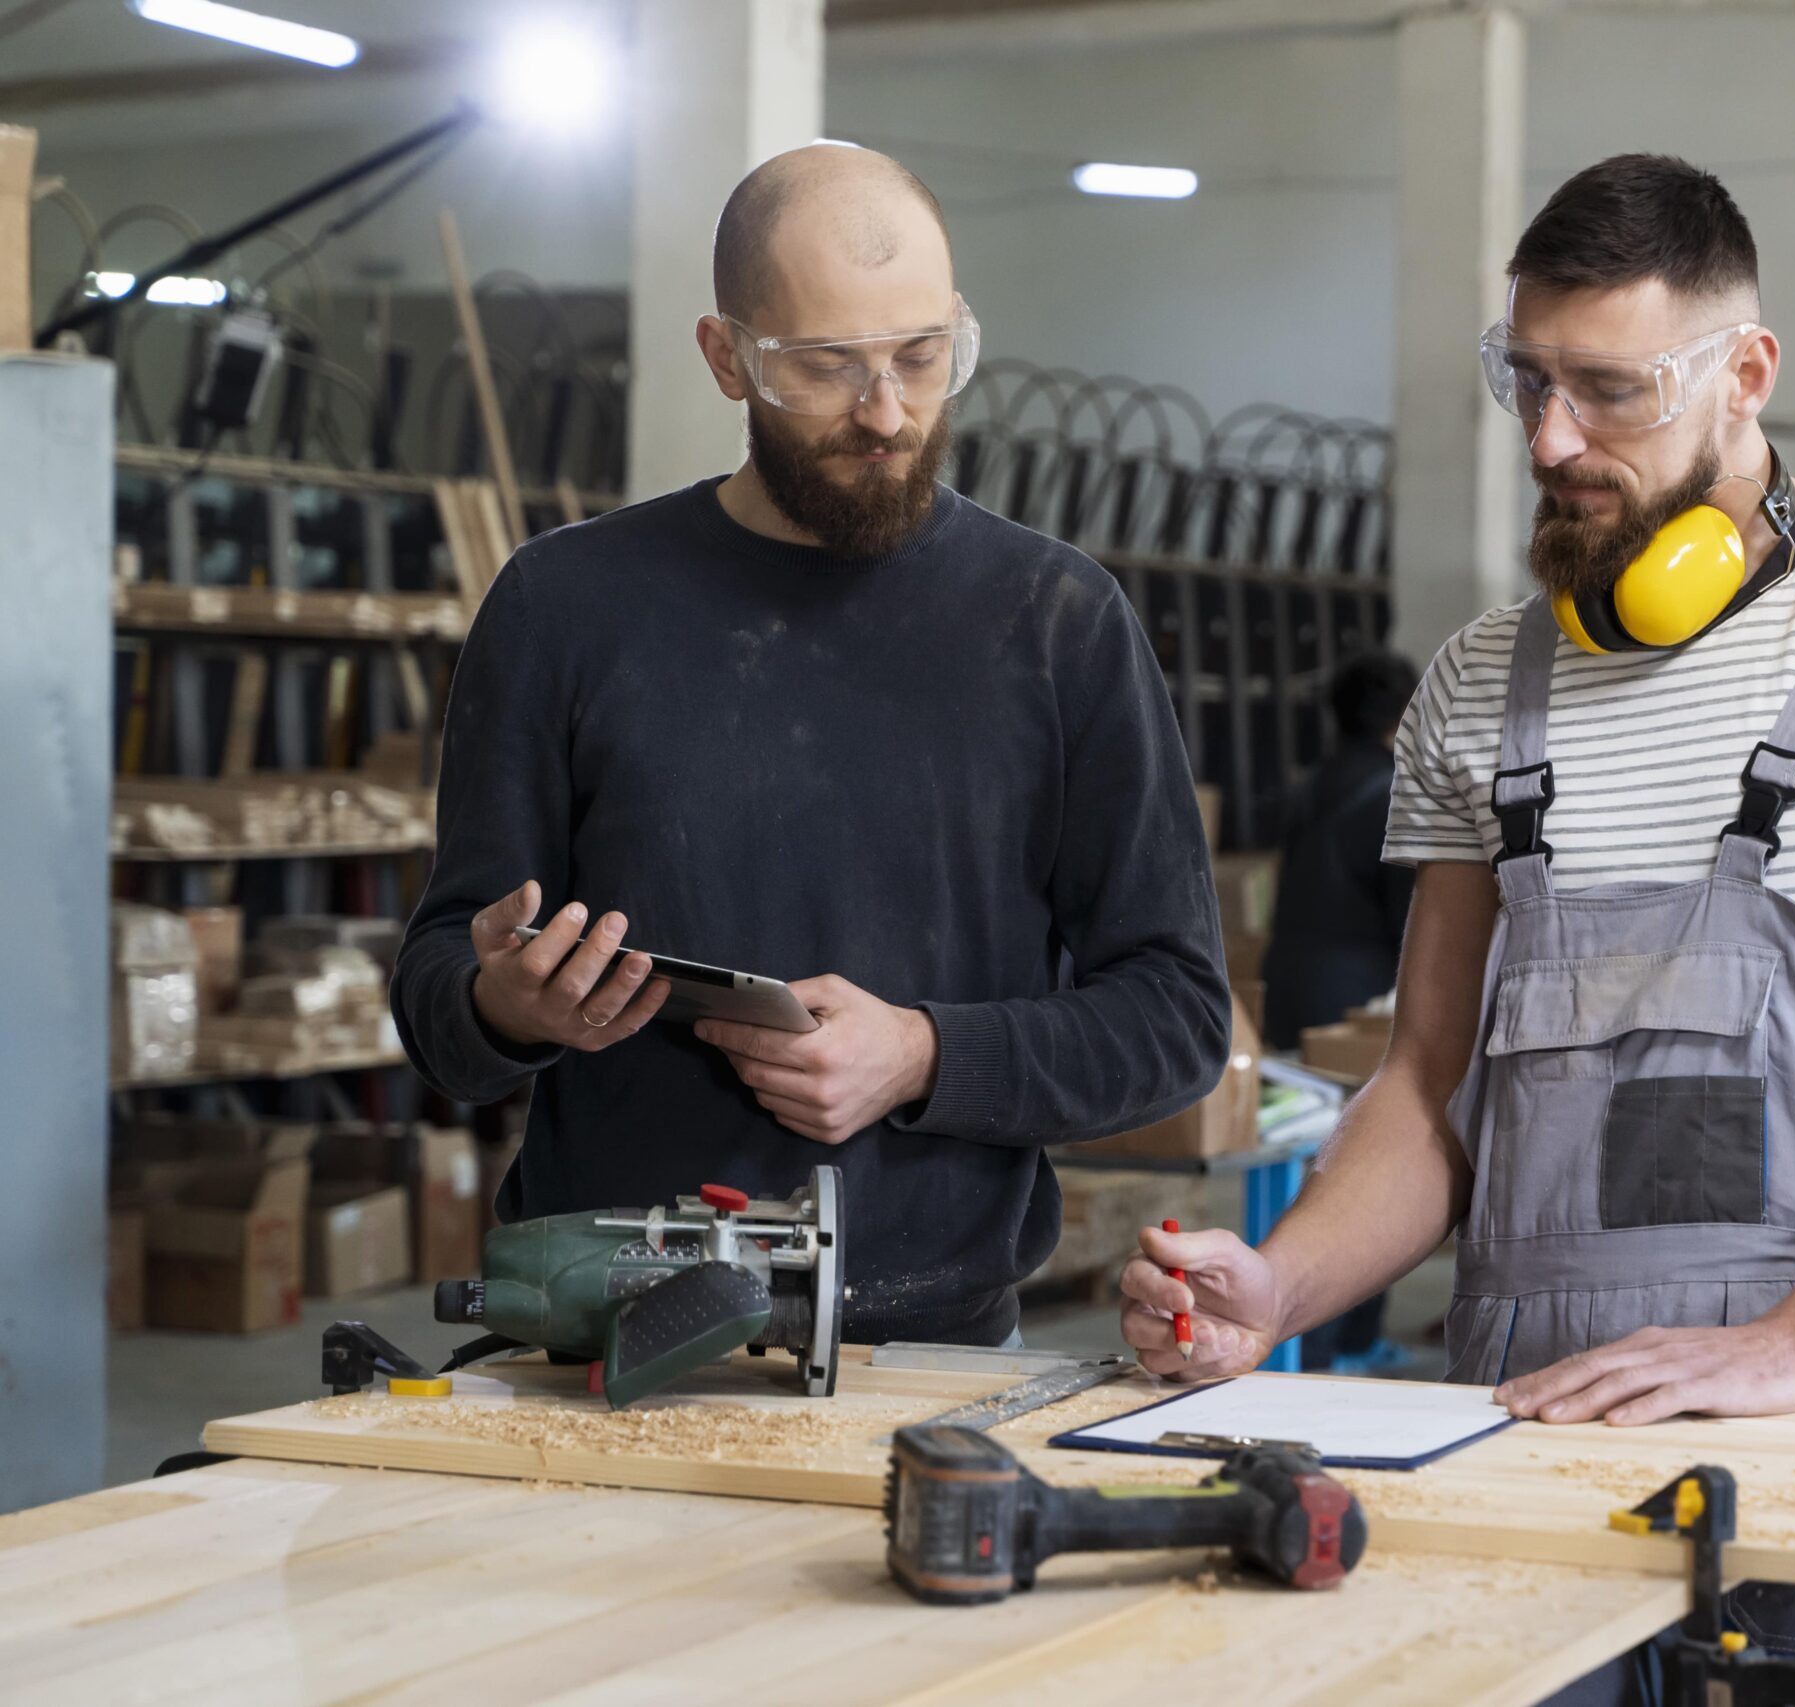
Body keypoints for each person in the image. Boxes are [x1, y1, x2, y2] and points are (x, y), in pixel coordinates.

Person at [1120, 154, 1795, 1703]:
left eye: (1608, 390)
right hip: (1524, 1410)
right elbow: (1431, 1078)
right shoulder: (1477, 683)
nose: (1551, 438)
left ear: (1746, 372)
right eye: (1526, 381)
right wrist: (1286, 1280)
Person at [392, 143, 1228, 1351]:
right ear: (726, 356)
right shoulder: (563, 607)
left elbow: (1177, 1017)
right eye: (827, 369)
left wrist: (926, 1055)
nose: (886, 414)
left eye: (922, 358)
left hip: (929, 1343)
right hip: (600, 1322)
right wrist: (508, 1006)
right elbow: (437, 1003)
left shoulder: (1057, 623)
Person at [1260, 650, 1420, 1372]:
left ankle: (1304, 1331)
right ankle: (1347, 1342)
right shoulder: (1393, 790)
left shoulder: (1311, 785)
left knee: (1307, 1158)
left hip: (1292, 986)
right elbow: (1408, 916)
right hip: (1358, 997)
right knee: (1369, 1163)